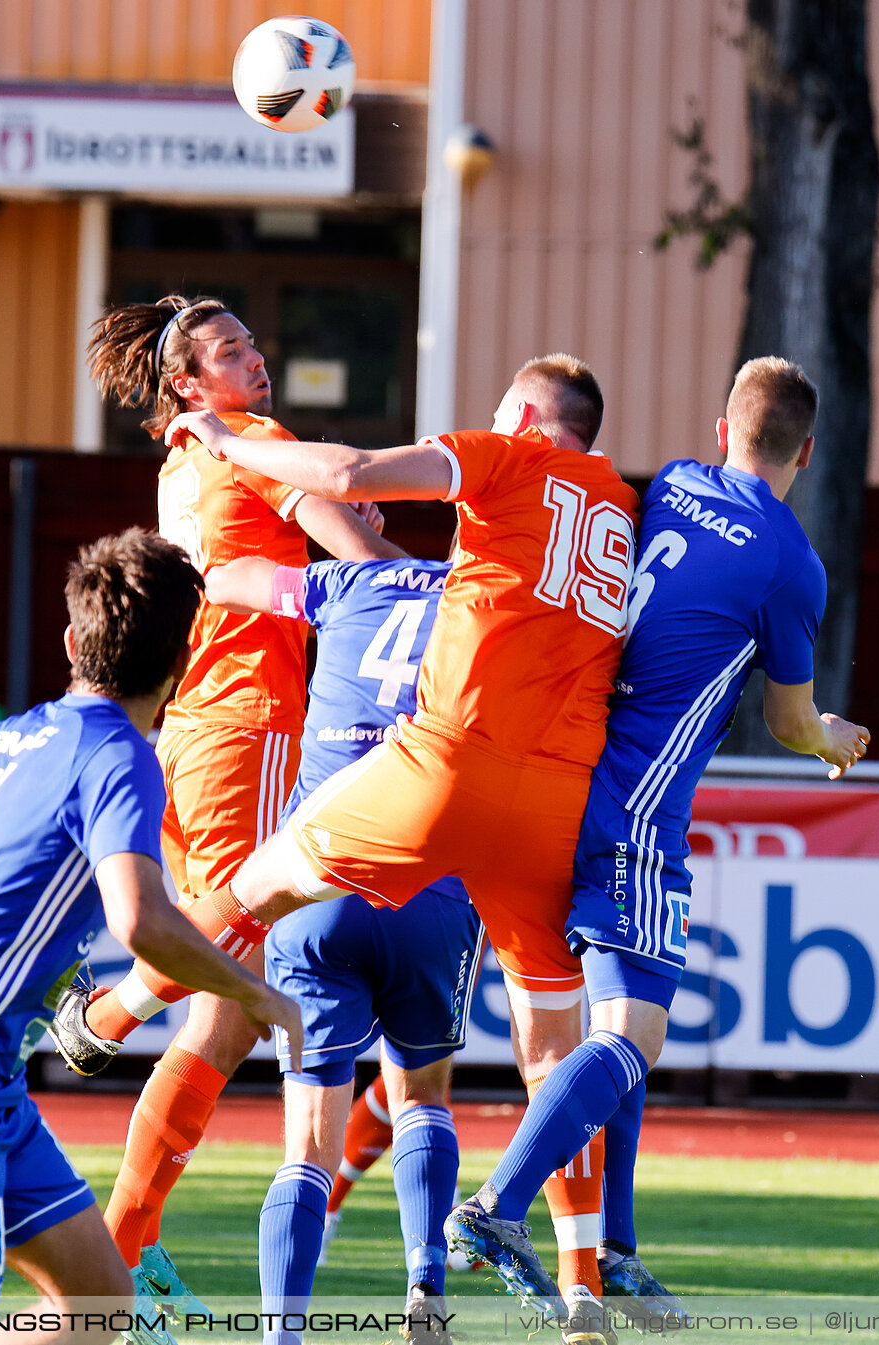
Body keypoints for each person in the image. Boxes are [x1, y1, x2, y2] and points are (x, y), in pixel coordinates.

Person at [144, 353, 640, 1339]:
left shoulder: (347, 586)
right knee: (471, 1082)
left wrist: (209, 467)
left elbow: (245, 558)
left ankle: (113, 1013)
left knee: (303, 1119)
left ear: (526, 416)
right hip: (463, 868)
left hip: (363, 837)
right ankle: (469, 1288)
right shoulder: (599, 530)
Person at [447, 357, 870, 1319]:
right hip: (640, 807)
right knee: (634, 1039)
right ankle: (495, 1205)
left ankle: (615, 1251)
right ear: (808, 449)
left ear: (722, 430)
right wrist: (832, 737)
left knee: (610, 1027)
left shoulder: (674, 482)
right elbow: (792, 721)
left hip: (567, 770)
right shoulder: (792, 565)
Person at [0, 528, 303, 1344]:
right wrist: (255, 991)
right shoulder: (120, 755)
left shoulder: (1, 737)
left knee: (98, 1303)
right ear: (184, 662)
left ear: (70, 641)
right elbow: (141, 921)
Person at [51, 296, 402, 1311]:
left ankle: (128, 1243)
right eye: (228, 350)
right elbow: (362, 559)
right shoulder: (250, 438)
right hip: (246, 720)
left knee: (225, 1003)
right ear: (186, 384)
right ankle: (105, 1027)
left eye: (251, 342)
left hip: (202, 721)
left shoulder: (182, 459)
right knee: (233, 971)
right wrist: (387, 558)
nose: (255, 357)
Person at [204, 553, 480, 1344]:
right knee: (422, 1094)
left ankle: (282, 1333)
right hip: (427, 883)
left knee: (306, 1145)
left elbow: (228, 580)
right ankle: (425, 1284)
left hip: (314, 882)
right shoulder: (487, 603)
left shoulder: (345, 584)